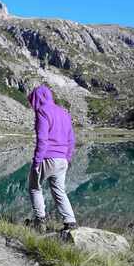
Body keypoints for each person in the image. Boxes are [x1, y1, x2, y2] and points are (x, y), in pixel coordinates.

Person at [26, 85, 77, 234]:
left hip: (47, 158)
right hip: (62, 160)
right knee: (59, 191)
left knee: (35, 187)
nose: (33, 103)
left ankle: (39, 222)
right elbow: (71, 139)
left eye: (33, 99)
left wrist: (37, 161)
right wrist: (67, 157)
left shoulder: (42, 111)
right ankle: (70, 222)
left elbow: (42, 139)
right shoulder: (64, 112)